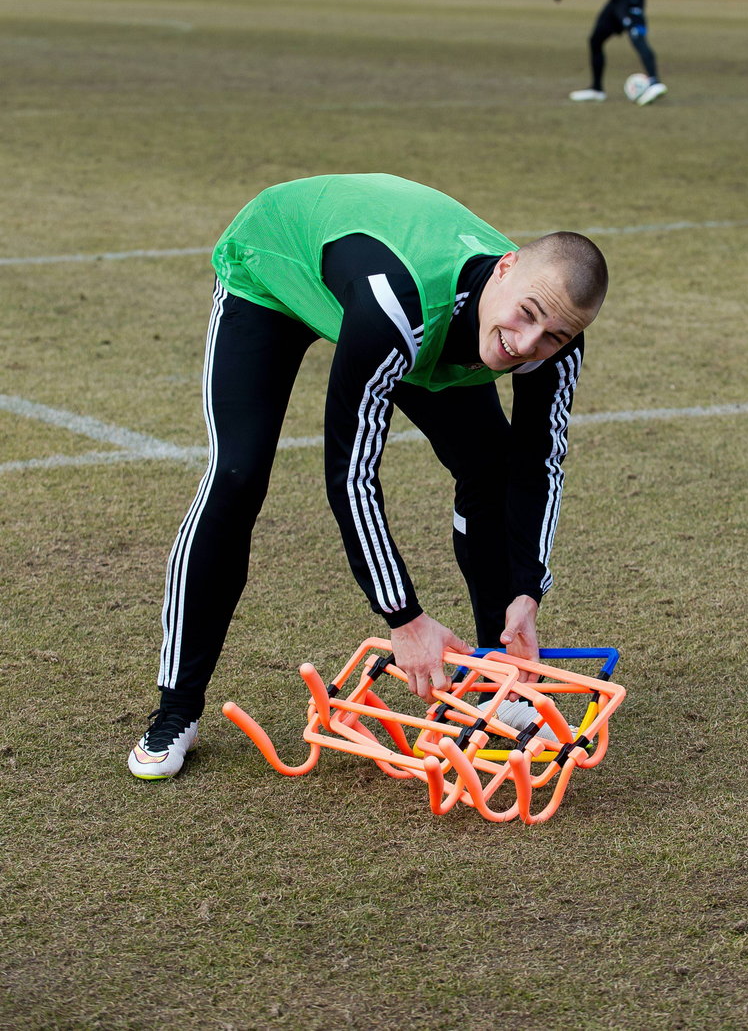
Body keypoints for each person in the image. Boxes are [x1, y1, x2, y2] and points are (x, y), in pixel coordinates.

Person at [128, 173, 608, 779]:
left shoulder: (551, 336)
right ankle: (176, 710)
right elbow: (351, 474)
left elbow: (539, 461)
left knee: (490, 465)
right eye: (527, 316)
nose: (528, 343)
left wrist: (527, 590)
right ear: (506, 268)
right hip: (278, 269)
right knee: (238, 477)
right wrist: (404, 621)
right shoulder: (397, 306)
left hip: (410, 317)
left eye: (554, 335)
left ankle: (496, 681)